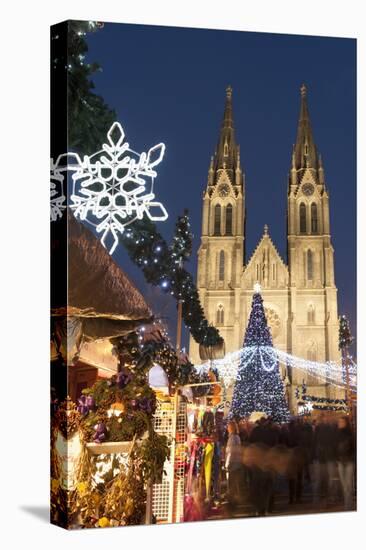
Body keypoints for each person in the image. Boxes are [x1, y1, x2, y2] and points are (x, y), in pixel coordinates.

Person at [335, 416, 355, 510]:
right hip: (340, 461)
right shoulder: (336, 434)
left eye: (342, 422)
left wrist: (352, 458)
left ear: (346, 423)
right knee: (344, 485)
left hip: (349, 461)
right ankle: (347, 503)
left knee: (348, 485)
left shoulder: (351, 434)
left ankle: (348, 505)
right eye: (339, 422)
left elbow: (354, 447)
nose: (340, 423)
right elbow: (334, 448)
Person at [225, 421, 243, 507]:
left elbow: (230, 452)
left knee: (231, 483)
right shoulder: (238, 437)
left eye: (228, 427)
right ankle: (236, 499)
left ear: (231, 428)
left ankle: (232, 501)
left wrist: (227, 464)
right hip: (237, 462)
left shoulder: (232, 438)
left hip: (232, 464)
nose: (227, 429)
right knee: (236, 482)